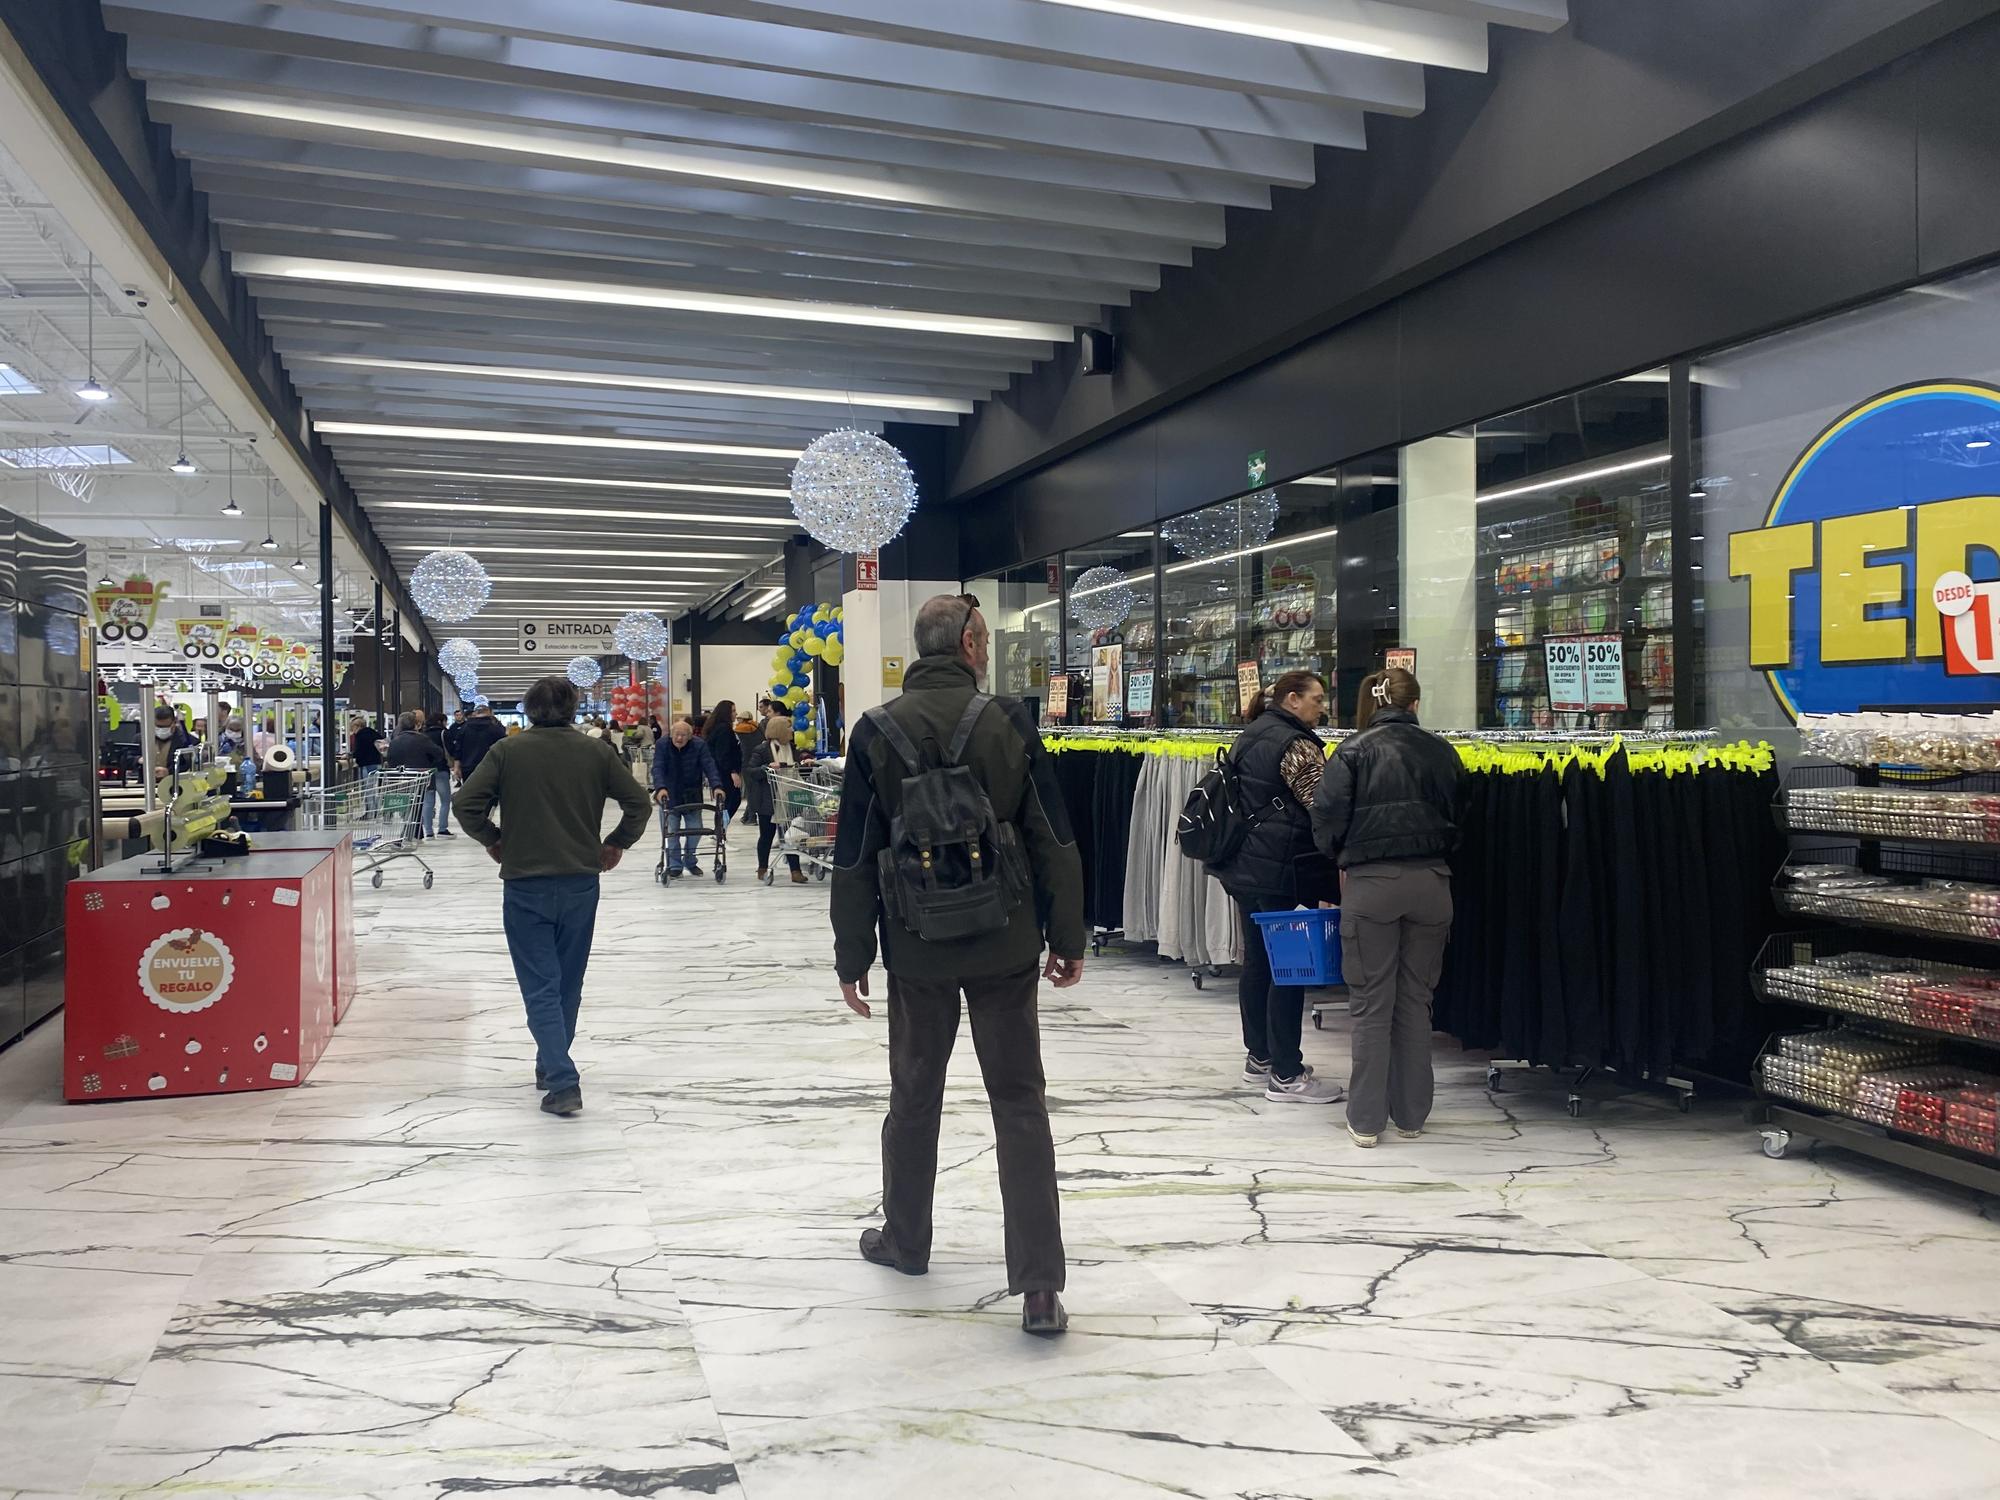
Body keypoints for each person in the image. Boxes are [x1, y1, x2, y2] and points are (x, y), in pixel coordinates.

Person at [830, 593, 1085, 1337]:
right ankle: (1039, 1286)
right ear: (973, 643)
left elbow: (853, 856)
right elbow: (1053, 839)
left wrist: (853, 954)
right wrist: (1066, 937)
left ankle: (906, 1243)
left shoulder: (875, 729)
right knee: (1019, 1104)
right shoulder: (1010, 722)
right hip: (1005, 943)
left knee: (914, 1096)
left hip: (917, 947)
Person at [453, 675, 653, 1116]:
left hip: (525, 881)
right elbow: (639, 803)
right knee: (568, 981)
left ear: (527, 710)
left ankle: (561, 1078)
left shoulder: (507, 751)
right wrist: (616, 841)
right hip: (581, 880)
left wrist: (492, 838)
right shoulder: (596, 751)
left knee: (539, 983)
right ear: (573, 708)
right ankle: (551, 1062)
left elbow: (465, 803)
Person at [1312, 667, 1464, 1149]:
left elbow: (1327, 816)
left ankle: (1366, 1120)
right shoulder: (1442, 751)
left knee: (1371, 1003)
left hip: (1371, 883)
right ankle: (1413, 1113)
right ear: (1415, 705)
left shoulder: (1352, 751)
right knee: (1416, 1000)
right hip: (1432, 882)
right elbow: (1463, 815)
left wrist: (1342, 854)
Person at [1210, 670, 1347, 1106]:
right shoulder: (1296, 745)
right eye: (1317, 698)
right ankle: (1287, 1073)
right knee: (1288, 969)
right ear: (1292, 700)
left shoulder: (1252, 733)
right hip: (1280, 870)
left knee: (1258, 963)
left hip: (1244, 867)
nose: (1322, 706)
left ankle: (1261, 1057)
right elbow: (1321, 805)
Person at [650, 717, 725, 876]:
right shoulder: (662, 744)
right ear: (671, 734)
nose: (679, 738)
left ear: (690, 736)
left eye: (683, 735)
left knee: (696, 831)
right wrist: (660, 788)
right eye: (677, 734)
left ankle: (689, 860)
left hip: (692, 795)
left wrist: (717, 786)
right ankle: (675, 865)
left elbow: (709, 766)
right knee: (672, 833)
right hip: (669, 796)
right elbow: (658, 768)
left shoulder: (699, 745)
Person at [745, 714, 806, 884]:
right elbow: (751, 771)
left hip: (789, 798)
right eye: (788, 727)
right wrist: (767, 768)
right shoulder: (762, 750)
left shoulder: (792, 748)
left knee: (790, 835)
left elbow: (797, 765)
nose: (792, 730)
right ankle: (762, 867)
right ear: (779, 730)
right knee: (767, 835)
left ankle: (795, 870)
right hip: (769, 800)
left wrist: (805, 761)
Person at [384, 710, 449, 837]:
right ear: (416, 724)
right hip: (422, 776)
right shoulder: (422, 739)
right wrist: (430, 761)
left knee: (410, 804)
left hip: (403, 778)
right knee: (426, 802)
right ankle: (424, 831)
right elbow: (438, 753)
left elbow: (390, 759)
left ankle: (415, 830)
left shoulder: (395, 741)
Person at [702, 699, 745, 832]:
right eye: (732, 711)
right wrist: (732, 772)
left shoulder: (717, 728)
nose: (735, 713)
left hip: (720, 771)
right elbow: (723, 753)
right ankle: (719, 831)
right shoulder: (724, 729)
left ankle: (720, 831)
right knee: (730, 801)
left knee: (725, 802)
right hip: (725, 772)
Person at [455, 702, 509, 782]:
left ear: (475, 713)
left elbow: (458, 749)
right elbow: (503, 748)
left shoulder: (464, 728)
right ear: (489, 713)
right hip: (491, 767)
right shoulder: (496, 729)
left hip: (468, 767)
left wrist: (456, 766)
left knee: (470, 792)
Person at [151, 705, 197, 776]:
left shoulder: (189, 741)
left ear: (174, 722)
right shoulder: (142, 739)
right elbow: (129, 758)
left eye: (165, 726)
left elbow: (192, 766)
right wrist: (138, 760)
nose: (161, 730)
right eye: (158, 726)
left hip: (176, 784)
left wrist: (169, 772)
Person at [349, 713, 384, 802]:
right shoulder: (374, 733)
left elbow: (359, 751)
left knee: (368, 790)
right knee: (374, 789)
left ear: (357, 726)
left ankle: (370, 811)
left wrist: (350, 755)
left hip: (366, 765)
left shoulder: (360, 736)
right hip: (377, 762)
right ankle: (375, 810)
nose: (352, 730)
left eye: (352, 727)